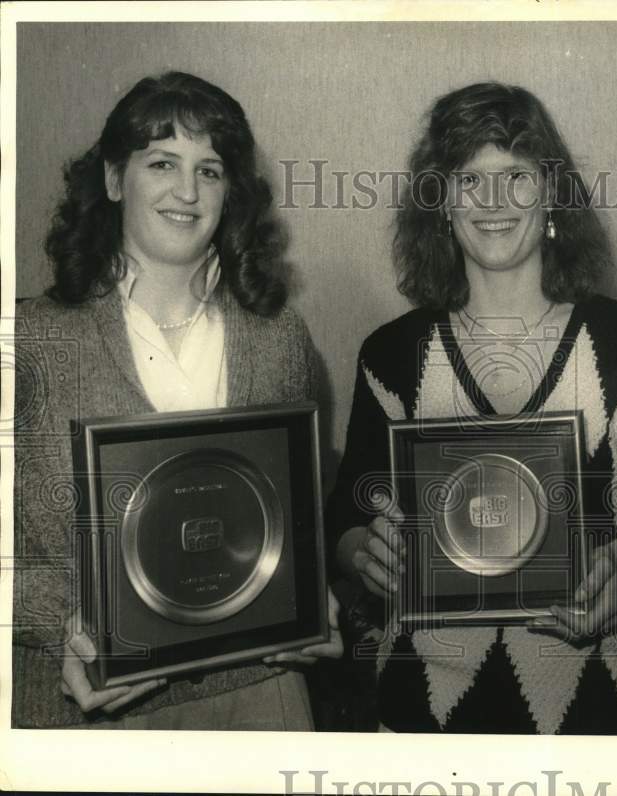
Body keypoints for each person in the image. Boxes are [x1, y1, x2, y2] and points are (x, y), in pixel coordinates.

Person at [328, 82, 617, 734]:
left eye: (515, 176)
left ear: (550, 192)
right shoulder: (392, 354)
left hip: (592, 723)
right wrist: (364, 551)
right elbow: (345, 520)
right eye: (467, 179)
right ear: (440, 202)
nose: (491, 201)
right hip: (416, 725)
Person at [13, 72, 341, 730]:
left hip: (262, 695)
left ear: (231, 192)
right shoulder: (28, 340)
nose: (187, 192)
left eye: (210, 170)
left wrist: (311, 597)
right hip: (86, 709)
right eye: (162, 162)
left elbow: (295, 512)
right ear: (113, 180)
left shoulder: (281, 338)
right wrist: (65, 622)